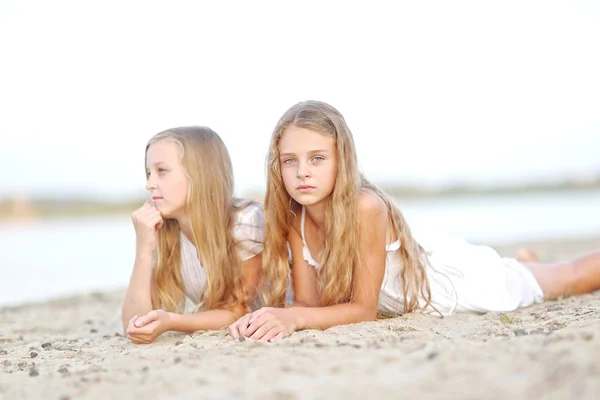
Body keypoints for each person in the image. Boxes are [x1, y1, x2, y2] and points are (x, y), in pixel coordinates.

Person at [229, 100, 600, 342]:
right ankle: (524, 263)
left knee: (567, 277)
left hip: (453, 284)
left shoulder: (365, 207)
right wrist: (271, 317)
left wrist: (293, 319)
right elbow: (308, 303)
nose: (302, 172)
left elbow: (363, 310)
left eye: (317, 158)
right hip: (424, 267)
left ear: (342, 158)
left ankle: (523, 267)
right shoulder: (296, 217)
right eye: (290, 160)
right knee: (528, 271)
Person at [123, 126, 264, 344]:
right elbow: (134, 325)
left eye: (162, 171)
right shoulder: (161, 232)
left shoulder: (244, 220)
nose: (149, 184)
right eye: (149, 172)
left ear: (200, 175)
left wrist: (171, 321)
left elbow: (238, 310)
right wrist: (143, 249)